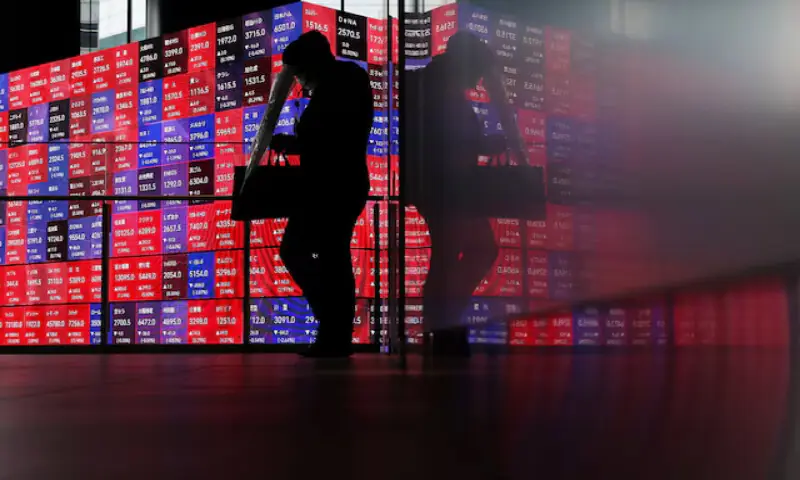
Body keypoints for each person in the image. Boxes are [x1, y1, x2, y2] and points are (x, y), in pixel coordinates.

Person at [407, 32, 528, 356]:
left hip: (445, 186)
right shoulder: (441, 91)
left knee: (459, 254)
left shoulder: (433, 85)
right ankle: (442, 327)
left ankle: (443, 325)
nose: (478, 81)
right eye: (478, 72)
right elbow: (443, 142)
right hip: (449, 187)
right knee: (457, 256)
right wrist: (483, 145)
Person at [265, 31, 373, 358]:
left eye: (298, 73)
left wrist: (295, 143)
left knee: (308, 253)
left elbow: (331, 139)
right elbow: (337, 137)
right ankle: (334, 330)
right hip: (339, 185)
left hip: (330, 187)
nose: (298, 81)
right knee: (330, 258)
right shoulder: (347, 81)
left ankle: (334, 329)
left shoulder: (337, 87)